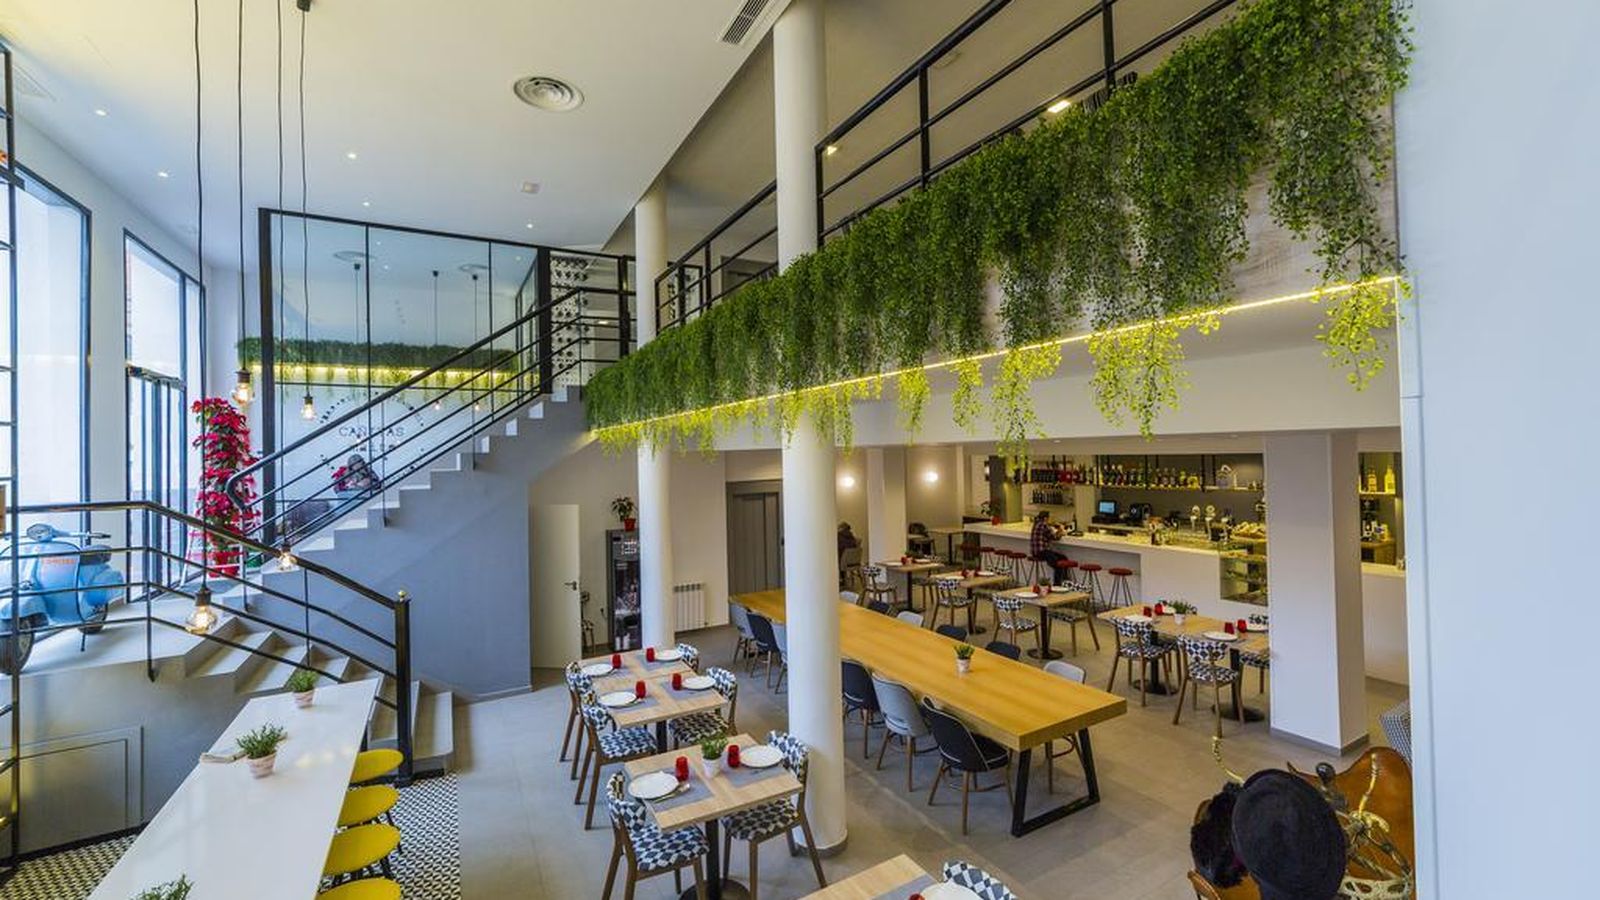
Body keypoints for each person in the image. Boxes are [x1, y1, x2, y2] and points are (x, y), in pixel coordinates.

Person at [1030, 510, 1066, 584]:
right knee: (1059, 564)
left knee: (1061, 559)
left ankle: (1062, 582)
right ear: (1046, 518)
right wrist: (1061, 530)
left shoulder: (1036, 524)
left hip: (1035, 552)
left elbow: (1049, 535)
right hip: (1042, 552)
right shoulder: (1044, 525)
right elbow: (1055, 537)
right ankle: (1058, 585)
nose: (1051, 520)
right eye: (1050, 518)